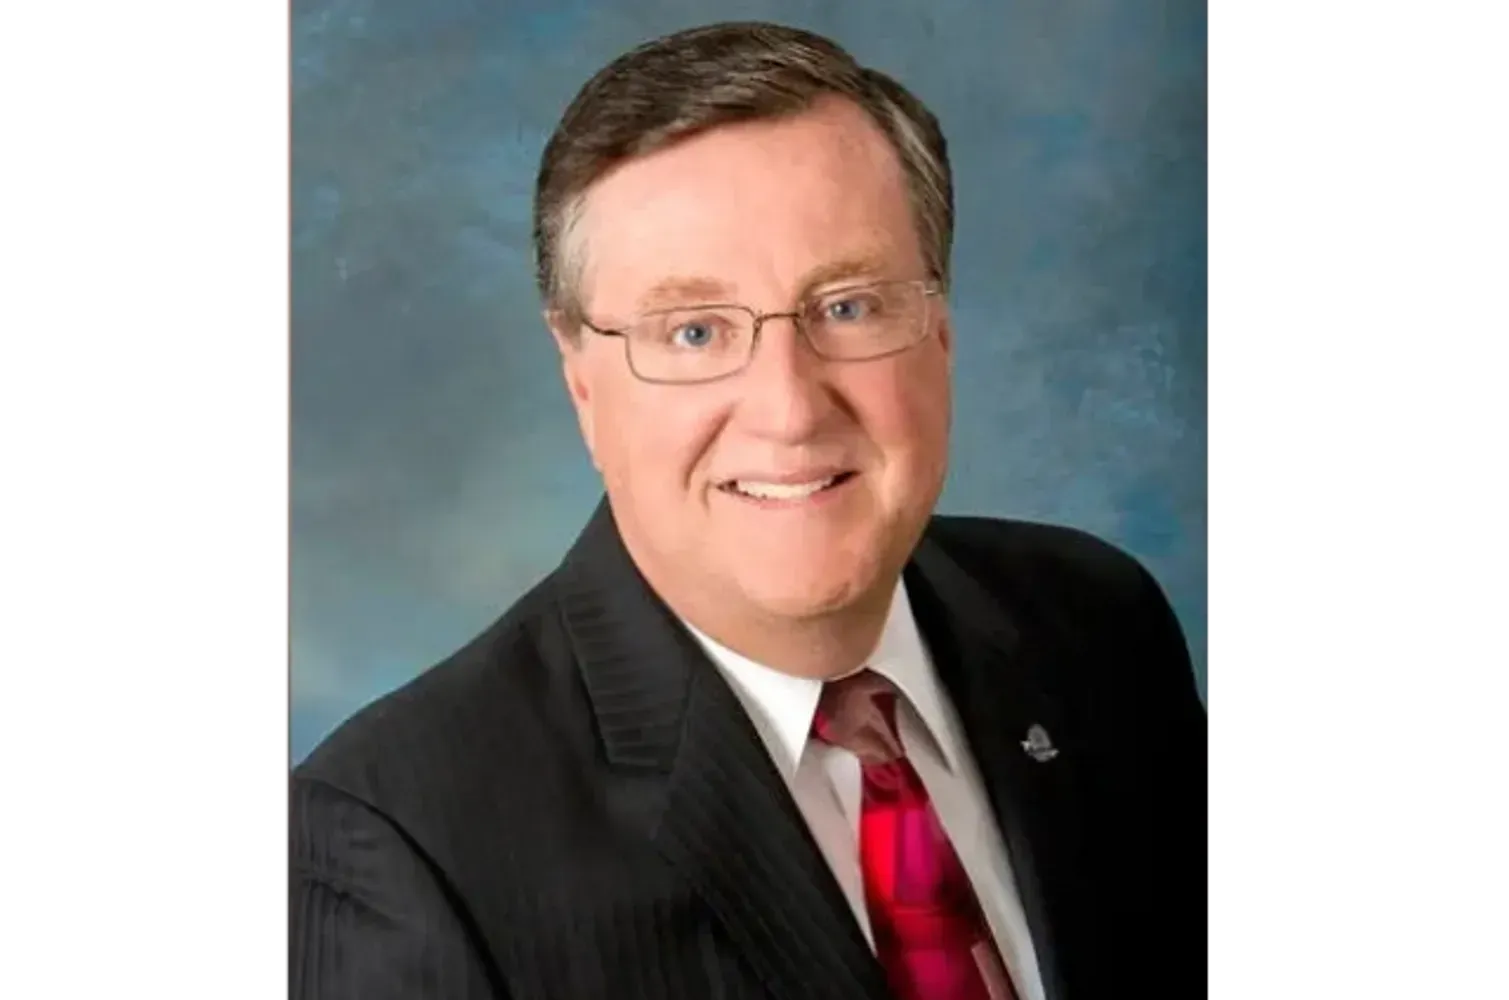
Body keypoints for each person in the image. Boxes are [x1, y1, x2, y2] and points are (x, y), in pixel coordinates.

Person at [289, 20, 1207, 1000]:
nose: (789, 408)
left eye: (848, 306)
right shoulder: (396, 849)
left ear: (938, 332)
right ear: (582, 381)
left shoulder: (1096, 625)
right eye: (694, 331)